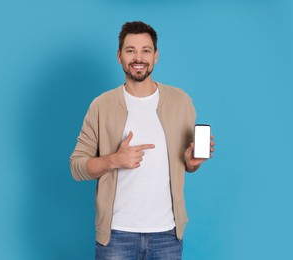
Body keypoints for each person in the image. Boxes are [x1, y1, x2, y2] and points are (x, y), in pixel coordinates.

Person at [70, 21, 215, 260]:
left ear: (156, 56)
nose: (139, 58)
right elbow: (77, 167)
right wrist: (114, 159)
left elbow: (187, 165)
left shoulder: (181, 102)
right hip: (116, 235)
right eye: (130, 50)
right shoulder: (101, 106)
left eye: (146, 50)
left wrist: (192, 162)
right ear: (119, 56)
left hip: (166, 235)